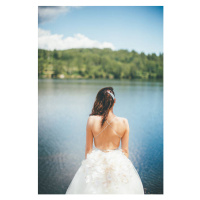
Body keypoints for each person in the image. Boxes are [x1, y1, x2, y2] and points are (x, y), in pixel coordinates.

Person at [66, 87, 144, 194]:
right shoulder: (124, 122)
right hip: (117, 163)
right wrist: (119, 168)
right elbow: (125, 151)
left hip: (96, 162)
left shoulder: (91, 120)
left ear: (99, 101)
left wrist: (90, 168)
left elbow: (88, 150)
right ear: (114, 101)